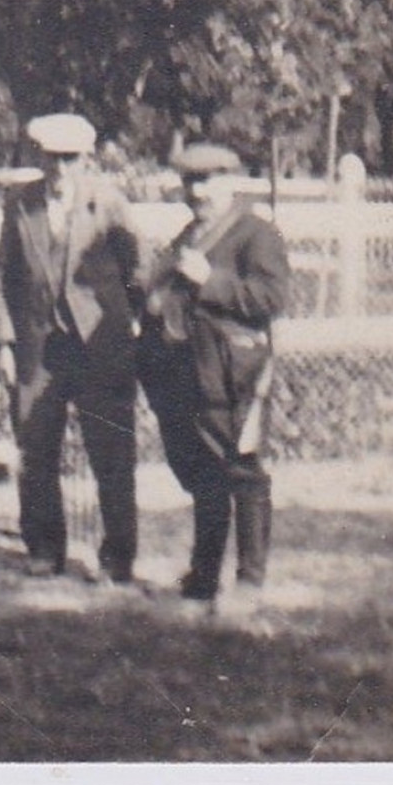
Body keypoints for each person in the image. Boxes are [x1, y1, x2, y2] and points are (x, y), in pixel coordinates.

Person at [0, 114, 142, 583]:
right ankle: (43, 547)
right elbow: (0, 281)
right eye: (50, 159)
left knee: (111, 453)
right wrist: (3, 342)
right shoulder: (20, 205)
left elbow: (138, 273)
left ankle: (118, 555)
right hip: (39, 347)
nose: (58, 169)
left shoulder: (109, 204)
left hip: (99, 347)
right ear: (38, 157)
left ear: (86, 160)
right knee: (35, 451)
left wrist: (124, 332)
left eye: (69, 160)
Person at [137, 144, 290, 604]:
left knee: (242, 471)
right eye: (190, 182)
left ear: (230, 182)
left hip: (233, 373)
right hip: (186, 370)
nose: (197, 191)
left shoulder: (255, 234)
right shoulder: (187, 235)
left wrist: (210, 280)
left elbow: (271, 298)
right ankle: (204, 574)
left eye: (207, 181)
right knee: (202, 473)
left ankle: (249, 579)